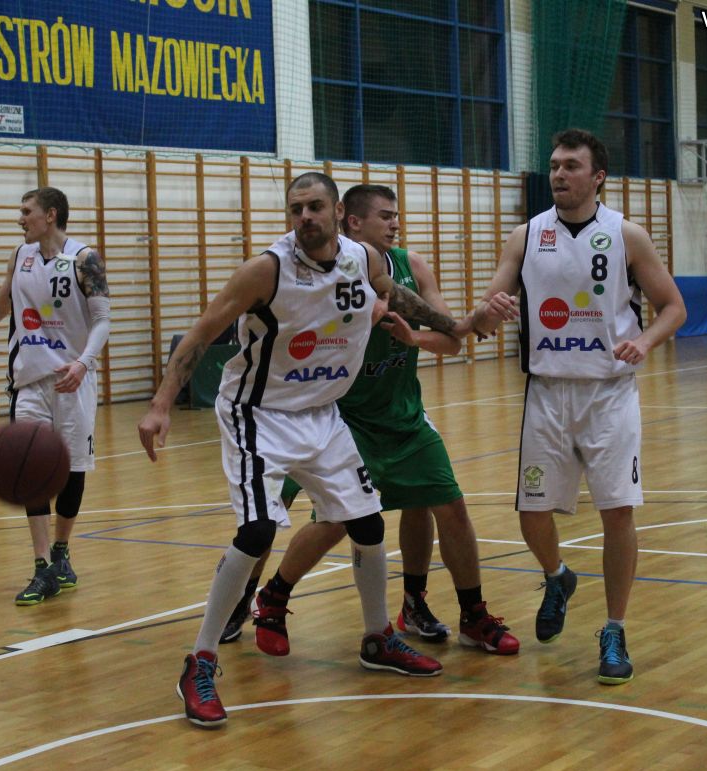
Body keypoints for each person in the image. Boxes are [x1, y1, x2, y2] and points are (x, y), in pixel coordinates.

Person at [138, 172, 498, 728]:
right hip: (258, 413)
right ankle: (200, 661)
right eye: (295, 208)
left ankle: (377, 638)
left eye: (314, 207)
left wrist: (459, 324)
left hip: (323, 412)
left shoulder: (362, 258)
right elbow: (201, 333)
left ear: (336, 213)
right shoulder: (266, 269)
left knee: (367, 522)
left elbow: (397, 295)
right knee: (257, 532)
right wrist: (161, 403)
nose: (304, 216)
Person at [218, 184, 520, 658]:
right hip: (333, 415)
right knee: (287, 521)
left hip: (401, 413)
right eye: (385, 216)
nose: (395, 223)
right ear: (352, 221)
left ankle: (458, 612)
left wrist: (428, 333)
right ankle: (253, 599)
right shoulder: (315, 271)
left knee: (447, 505)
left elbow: (452, 337)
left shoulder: (410, 266)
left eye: (396, 215)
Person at [464, 129, 686, 685]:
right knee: (531, 512)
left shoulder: (627, 235)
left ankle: (614, 629)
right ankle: (557, 576)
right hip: (547, 391)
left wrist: (646, 342)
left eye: (571, 165)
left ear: (597, 176)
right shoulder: (525, 236)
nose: (559, 174)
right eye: (554, 165)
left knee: (618, 511)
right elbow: (487, 311)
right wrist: (489, 310)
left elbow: (673, 307)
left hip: (609, 394)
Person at [0, 187, 111, 605]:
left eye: (26, 211)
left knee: (73, 469)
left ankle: (62, 551)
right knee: (31, 468)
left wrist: (83, 362)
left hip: (74, 379)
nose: (20, 219)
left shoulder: (85, 259)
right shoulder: (20, 256)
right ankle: (42, 566)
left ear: (50, 215)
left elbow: (103, 320)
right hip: (29, 382)